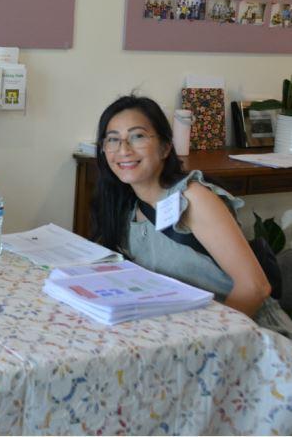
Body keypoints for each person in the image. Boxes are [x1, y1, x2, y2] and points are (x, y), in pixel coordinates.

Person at [91, 95, 292, 336]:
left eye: (138, 136)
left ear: (165, 147)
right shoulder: (126, 207)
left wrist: (204, 341)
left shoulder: (192, 197)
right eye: (113, 139)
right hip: (180, 331)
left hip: (243, 334)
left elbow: (255, 287)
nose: (124, 150)